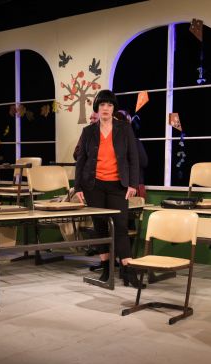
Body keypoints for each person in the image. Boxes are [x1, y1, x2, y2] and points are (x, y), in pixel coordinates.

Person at [74, 89, 141, 287]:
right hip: (93, 186)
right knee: (100, 227)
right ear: (97, 107)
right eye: (102, 105)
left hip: (118, 186)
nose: (105, 108)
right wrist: (78, 187)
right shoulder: (88, 132)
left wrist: (133, 184)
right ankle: (106, 268)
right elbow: (81, 161)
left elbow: (133, 158)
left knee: (120, 226)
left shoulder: (124, 128)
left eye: (109, 105)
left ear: (113, 108)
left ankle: (128, 270)